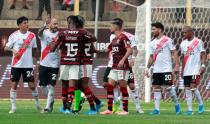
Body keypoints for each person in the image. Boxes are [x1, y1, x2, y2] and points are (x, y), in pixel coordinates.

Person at [51, 15, 99, 115]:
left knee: (68, 85)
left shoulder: (62, 33)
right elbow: (94, 39)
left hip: (67, 62)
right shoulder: (82, 33)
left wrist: (59, 45)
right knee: (74, 85)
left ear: (69, 23)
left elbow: (52, 48)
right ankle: (69, 107)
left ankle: (67, 107)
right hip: (76, 62)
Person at [4, 16, 42, 114]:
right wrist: (13, 50)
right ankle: (13, 107)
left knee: (32, 86)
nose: (27, 25)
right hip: (16, 65)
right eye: (25, 23)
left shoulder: (32, 35)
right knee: (14, 85)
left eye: (27, 23)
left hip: (28, 65)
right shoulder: (14, 35)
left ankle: (38, 105)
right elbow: (6, 47)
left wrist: (37, 60)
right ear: (20, 25)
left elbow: (35, 49)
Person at [103, 30, 144, 113]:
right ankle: (115, 106)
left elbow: (134, 49)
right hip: (112, 65)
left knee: (131, 86)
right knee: (107, 85)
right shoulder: (112, 36)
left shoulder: (129, 36)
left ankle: (137, 107)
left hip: (124, 65)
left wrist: (133, 59)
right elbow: (110, 49)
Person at [145, 22, 180, 115]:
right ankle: (157, 109)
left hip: (166, 69)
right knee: (156, 88)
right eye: (152, 29)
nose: (152, 31)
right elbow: (151, 57)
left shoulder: (168, 40)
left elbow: (174, 52)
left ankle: (177, 104)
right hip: (157, 70)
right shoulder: (152, 43)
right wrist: (147, 68)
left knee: (169, 88)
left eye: (154, 29)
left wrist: (177, 65)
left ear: (159, 30)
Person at [100, 18, 132, 115]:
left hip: (122, 67)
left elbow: (130, 50)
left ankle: (125, 110)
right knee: (109, 87)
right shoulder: (114, 39)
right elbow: (107, 49)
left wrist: (122, 60)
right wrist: (93, 50)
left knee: (122, 87)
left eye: (111, 25)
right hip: (114, 67)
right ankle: (109, 109)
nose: (110, 27)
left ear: (115, 26)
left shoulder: (124, 38)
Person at [180, 26, 206, 115]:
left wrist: (203, 65)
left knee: (193, 87)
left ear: (191, 32)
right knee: (187, 89)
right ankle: (190, 110)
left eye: (185, 32)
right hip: (186, 70)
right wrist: (182, 70)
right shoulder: (182, 44)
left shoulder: (198, 42)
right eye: (183, 32)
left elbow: (203, 54)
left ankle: (201, 105)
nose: (184, 34)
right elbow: (183, 58)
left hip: (195, 69)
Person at [38, 18, 59, 113]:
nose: (56, 25)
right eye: (54, 24)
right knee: (42, 86)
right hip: (44, 63)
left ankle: (47, 107)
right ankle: (51, 100)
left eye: (57, 24)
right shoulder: (45, 33)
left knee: (51, 86)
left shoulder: (59, 35)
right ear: (49, 24)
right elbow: (39, 33)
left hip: (55, 64)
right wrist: (44, 26)